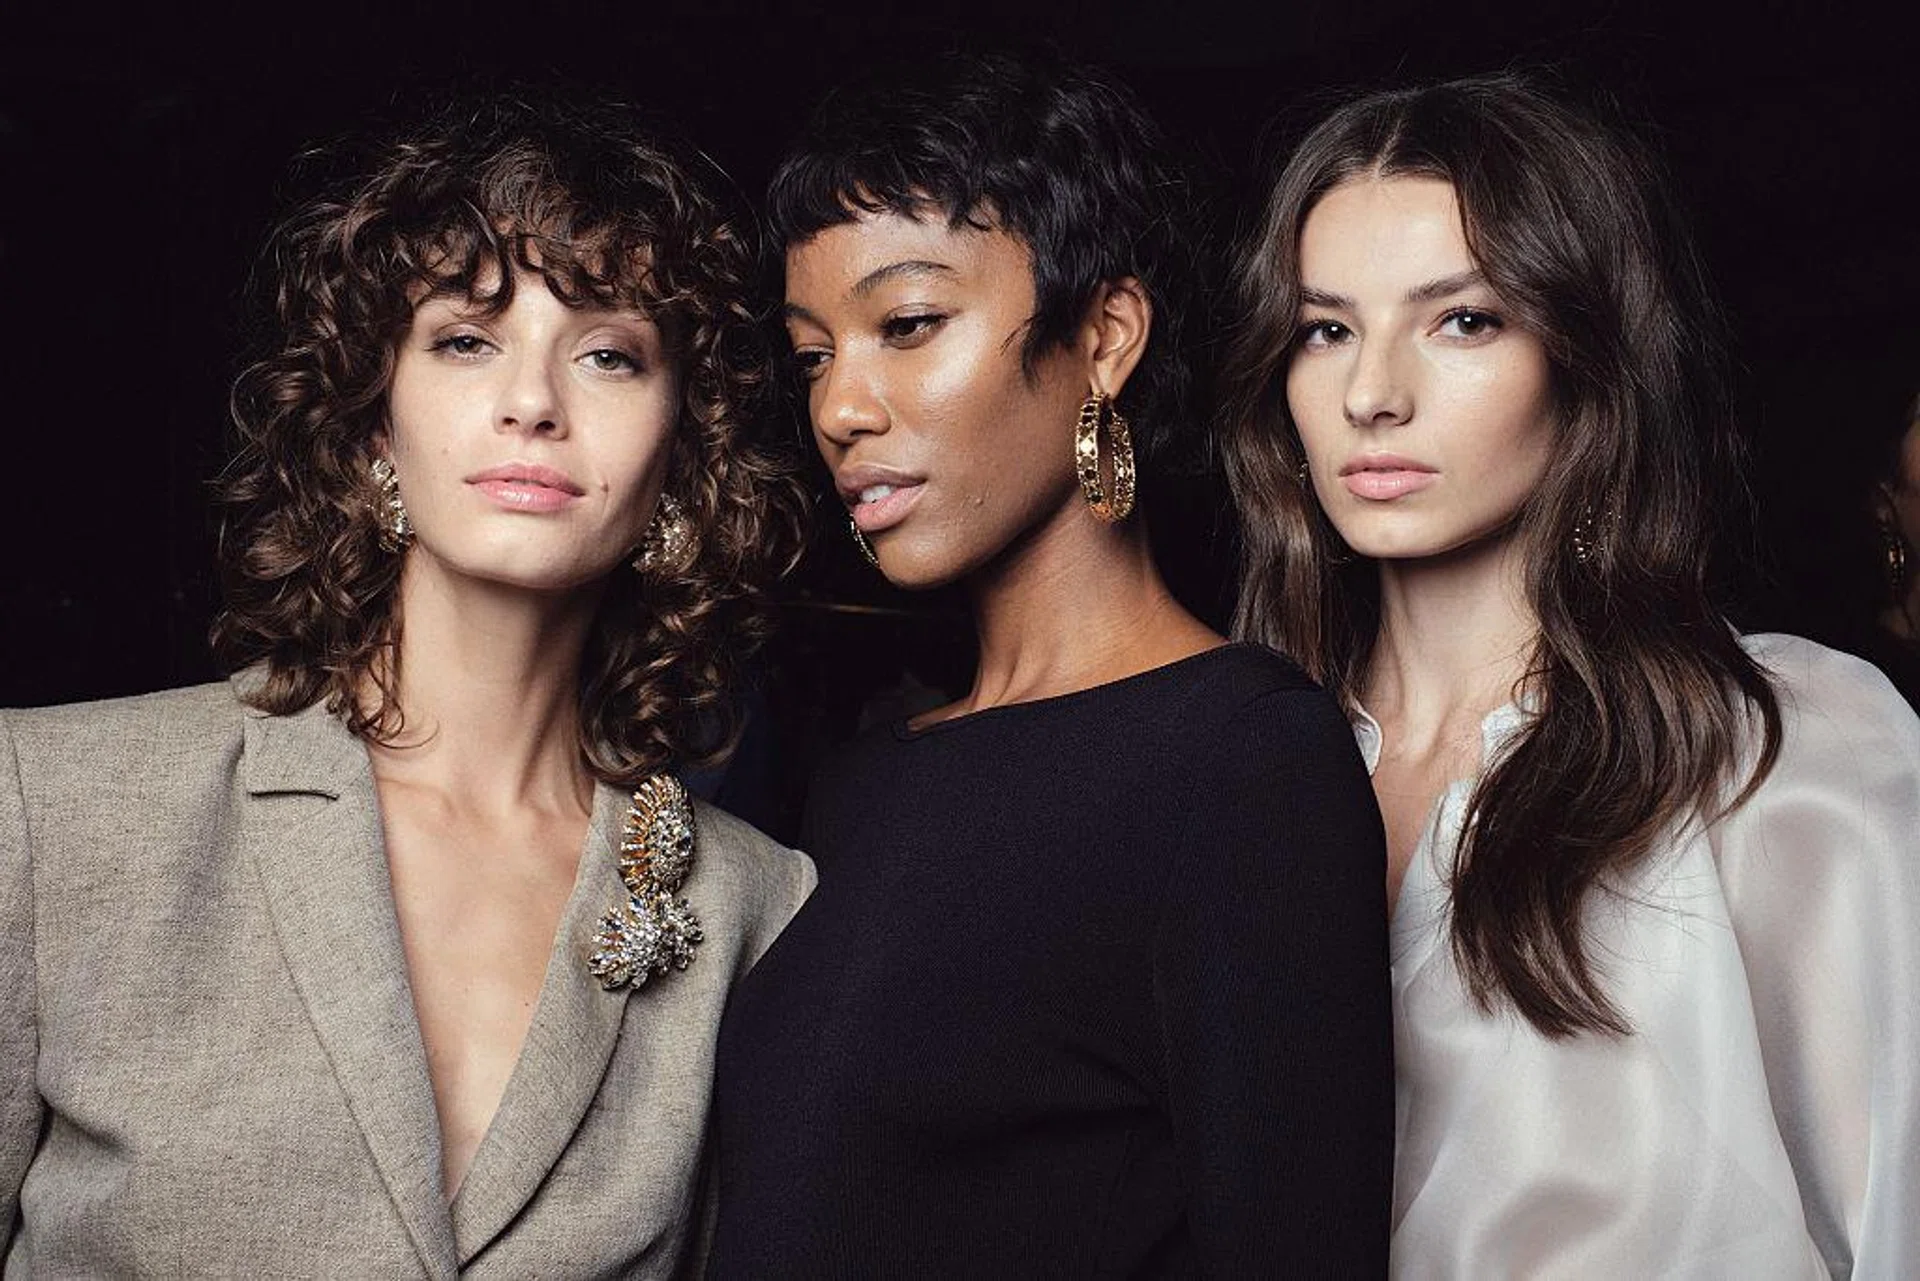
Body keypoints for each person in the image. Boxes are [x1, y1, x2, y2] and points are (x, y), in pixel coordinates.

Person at [0, 94, 813, 1277]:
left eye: (606, 354)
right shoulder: (54, 806)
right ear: (372, 426)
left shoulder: (753, 908)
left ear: (681, 461)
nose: (533, 402)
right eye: (465, 339)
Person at [1220, 73, 1920, 1278]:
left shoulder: (1782, 754)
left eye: (1462, 321)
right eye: (1326, 328)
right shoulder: (1223, 767)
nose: (1371, 394)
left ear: (1586, 357)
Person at [709, 51, 1393, 1278]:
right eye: (815, 353)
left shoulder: (1241, 760)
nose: (839, 409)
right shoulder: (861, 782)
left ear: (1105, 336)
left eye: (908, 325)